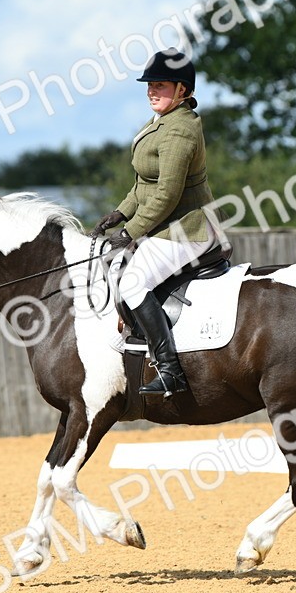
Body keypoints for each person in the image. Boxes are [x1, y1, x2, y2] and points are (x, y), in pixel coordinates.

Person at [90, 48, 221, 397]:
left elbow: (166, 194)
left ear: (183, 89)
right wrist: (120, 212)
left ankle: (170, 370)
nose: (151, 91)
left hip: (187, 230)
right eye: (149, 85)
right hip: (166, 227)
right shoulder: (161, 121)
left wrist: (129, 232)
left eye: (160, 85)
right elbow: (142, 185)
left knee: (131, 282)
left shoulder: (181, 129)